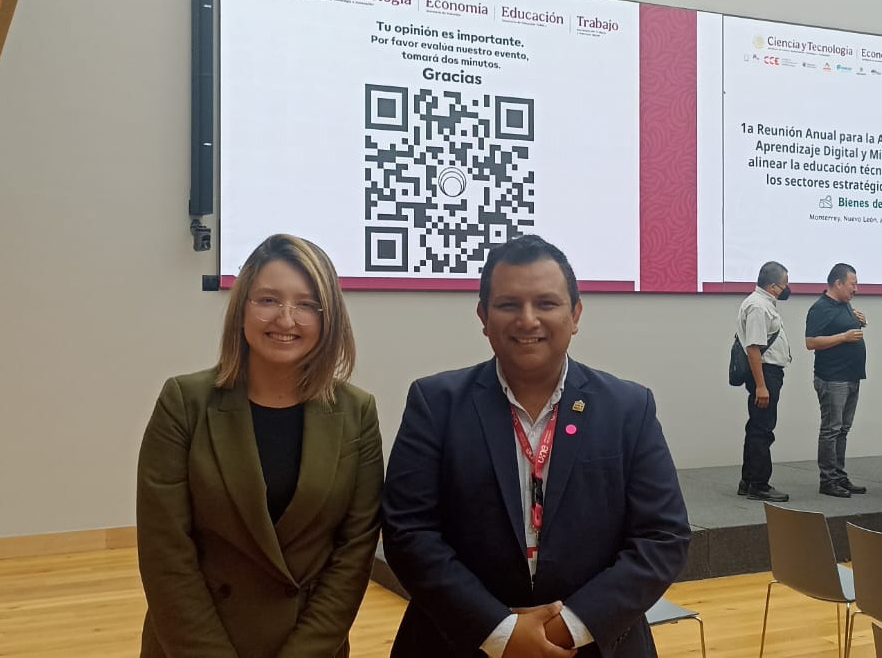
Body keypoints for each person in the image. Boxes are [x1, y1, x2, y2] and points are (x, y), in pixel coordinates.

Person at [382, 234, 690, 658]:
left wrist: (567, 628)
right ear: (483, 316)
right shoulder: (435, 404)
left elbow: (663, 537)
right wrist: (501, 633)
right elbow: (408, 533)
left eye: (546, 303)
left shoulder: (628, 408)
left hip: (593, 645)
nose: (528, 320)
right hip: (460, 642)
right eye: (509, 304)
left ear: (575, 314)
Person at [136, 234, 383, 658]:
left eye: (307, 304)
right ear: (242, 309)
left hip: (308, 645)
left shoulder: (356, 411)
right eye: (268, 300)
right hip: (193, 644)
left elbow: (354, 553)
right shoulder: (184, 402)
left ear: (329, 319)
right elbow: (166, 555)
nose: (286, 319)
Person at [805, 263, 867, 498]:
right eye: (853, 284)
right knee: (831, 430)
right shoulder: (820, 308)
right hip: (832, 378)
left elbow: (846, 328)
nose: (856, 289)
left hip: (851, 376)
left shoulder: (845, 305)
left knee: (843, 429)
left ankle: (840, 476)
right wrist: (844, 336)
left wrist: (860, 322)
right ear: (838, 283)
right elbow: (811, 342)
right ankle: (828, 480)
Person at [735, 261, 792, 502]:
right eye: (784, 283)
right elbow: (753, 348)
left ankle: (748, 481)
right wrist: (761, 385)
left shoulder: (762, 303)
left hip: (766, 373)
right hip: (765, 373)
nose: (787, 288)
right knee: (763, 429)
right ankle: (759, 484)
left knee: (756, 426)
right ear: (773, 286)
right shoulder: (758, 306)